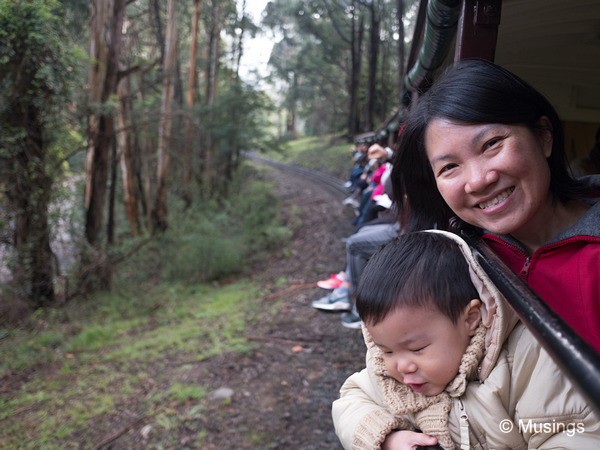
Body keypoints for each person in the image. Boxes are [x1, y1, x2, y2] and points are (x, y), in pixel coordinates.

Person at [391, 59, 600, 352]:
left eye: (491, 144)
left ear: (543, 136)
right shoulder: (458, 254)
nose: (477, 181)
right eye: (450, 166)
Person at [332, 231, 599, 449]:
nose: (401, 366)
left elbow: (573, 434)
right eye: (387, 350)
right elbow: (351, 399)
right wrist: (387, 438)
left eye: (417, 348)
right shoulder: (389, 372)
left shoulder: (525, 363)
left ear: (471, 319)